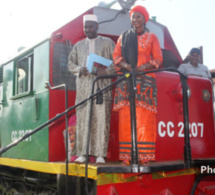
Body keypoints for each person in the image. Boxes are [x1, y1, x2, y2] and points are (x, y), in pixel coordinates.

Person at [113, 5, 163, 164]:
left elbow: (158, 60)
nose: (135, 20)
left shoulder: (152, 38)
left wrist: (141, 68)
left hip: (145, 82)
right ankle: (127, 157)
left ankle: (144, 157)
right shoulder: (123, 37)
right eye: (133, 17)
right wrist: (129, 67)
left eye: (138, 17)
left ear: (144, 19)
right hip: (127, 81)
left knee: (144, 119)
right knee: (126, 118)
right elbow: (116, 57)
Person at [68, 14, 115, 163]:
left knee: (101, 119)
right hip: (83, 89)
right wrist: (79, 70)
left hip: (101, 88)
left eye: (90, 26)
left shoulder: (107, 43)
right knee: (83, 119)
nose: (87, 29)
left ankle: (100, 154)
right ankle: (83, 154)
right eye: (85, 27)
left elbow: (117, 62)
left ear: (97, 27)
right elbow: (70, 64)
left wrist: (105, 71)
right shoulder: (78, 46)